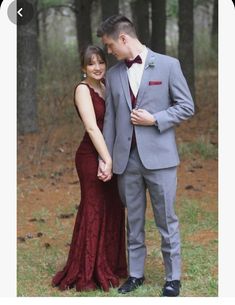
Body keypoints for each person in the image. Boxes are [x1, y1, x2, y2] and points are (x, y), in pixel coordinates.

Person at [97, 15, 194, 297]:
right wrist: (107, 157)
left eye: (110, 46)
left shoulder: (168, 65)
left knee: (167, 219)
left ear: (124, 39)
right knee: (134, 221)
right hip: (127, 162)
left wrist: (155, 119)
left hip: (161, 160)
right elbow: (111, 121)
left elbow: (186, 106)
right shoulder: (114, 75)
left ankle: (172, 278)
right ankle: (136, 274)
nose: (110, 52)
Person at [52, 45, 127, 292]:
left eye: (101, 62)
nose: (97, 67)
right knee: (94, 209)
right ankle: (88, 270)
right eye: (91, 63)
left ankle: (111, 265)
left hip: (110, 156)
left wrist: (113, 158)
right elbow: (93, 128)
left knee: (113, 208)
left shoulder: (105, 85)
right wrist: (106, 159)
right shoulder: (83, 89)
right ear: (83, 67)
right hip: (91, 156)